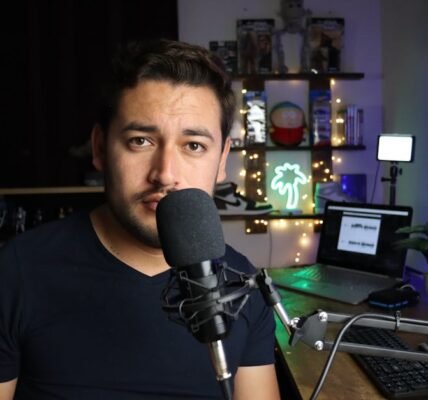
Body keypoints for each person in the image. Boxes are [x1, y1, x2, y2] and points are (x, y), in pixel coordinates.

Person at [0, 39, 281, 400]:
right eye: (140, 141)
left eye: (193, 145)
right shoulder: (16, 272)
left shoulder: (243, 287)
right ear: (100, 147)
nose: (165, 174)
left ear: (222, 159)